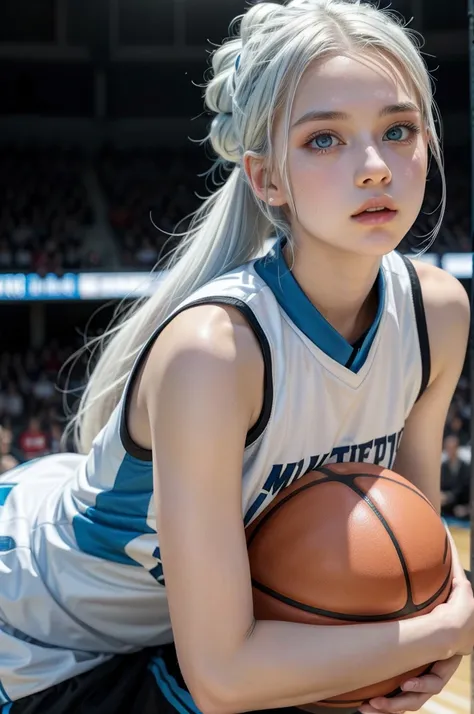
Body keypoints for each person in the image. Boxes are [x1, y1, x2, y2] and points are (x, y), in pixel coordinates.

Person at [0, 1, 473, 713]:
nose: (375, 167)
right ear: (266, 179)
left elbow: (412, 554)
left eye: (398, 131)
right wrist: (442, 629)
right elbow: (224, 678)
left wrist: (423, 633)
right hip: (45, 639)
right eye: (324, 140)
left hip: (179, 637)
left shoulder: (438, 314)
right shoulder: (217, 354)